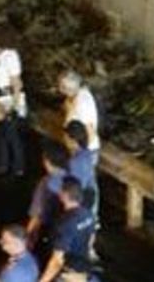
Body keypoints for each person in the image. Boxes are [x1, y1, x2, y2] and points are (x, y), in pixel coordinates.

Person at [59, 70, 100, 220]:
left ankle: (89, 215)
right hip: (79, 147)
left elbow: (90, 129)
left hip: (85, 149)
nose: (61, 90)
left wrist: (82, 150)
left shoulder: (83, 104)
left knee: (86, 183)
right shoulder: (78, 96)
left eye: (63, 87)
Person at [39, 178, 96, 282]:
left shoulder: (65, 223)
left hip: (69, 270)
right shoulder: (88, 214)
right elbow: (91, 237)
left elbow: (57, 260)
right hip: (83, 266)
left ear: (64, 195)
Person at [0, 25, 26, 177]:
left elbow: (16, 82)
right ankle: (2, 164)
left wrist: (16, 104)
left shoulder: (11, 56)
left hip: (8, 96)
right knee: (2, 131)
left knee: (11, 132)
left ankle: (18, 166)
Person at [25, 143, 68, 246]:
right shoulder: (72, 177)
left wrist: (27, 239)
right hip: (63, 223)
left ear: (47, 162)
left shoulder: (46, 183)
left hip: (47, 226)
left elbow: (36, 214)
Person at [63, 121, 97, 212]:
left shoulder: (75, 162)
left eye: (66, 137)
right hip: (90, 194)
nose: (64, 140)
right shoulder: (87, 153)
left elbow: (75, 187)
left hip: (81, 199)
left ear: (73, 140)